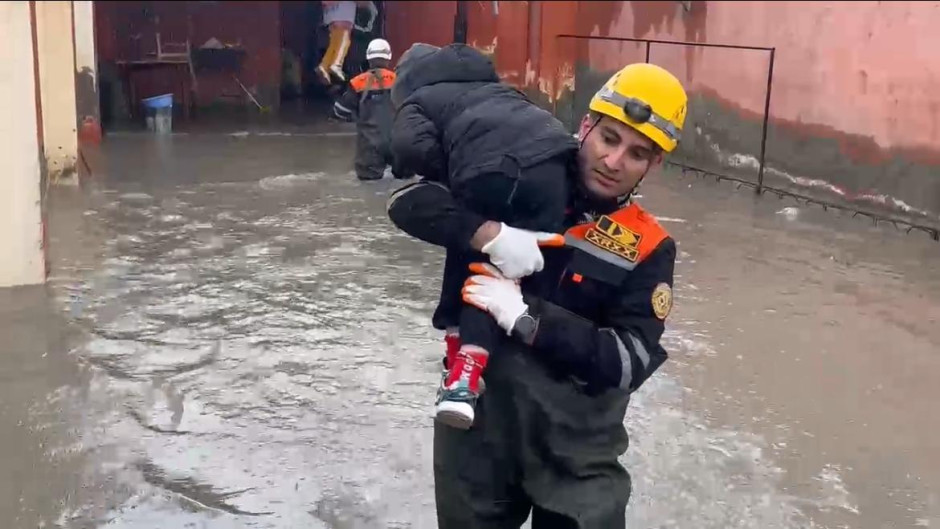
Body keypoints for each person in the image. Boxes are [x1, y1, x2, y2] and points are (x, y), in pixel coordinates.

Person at [387, 62, 687, 528]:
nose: (613, 162)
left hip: (578, 450)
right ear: (586, 125)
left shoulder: (649, 247)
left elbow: (630, 361)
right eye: (609, 139)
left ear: (655, 164)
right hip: (479, 424)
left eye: (636, 154)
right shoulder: (514, 171)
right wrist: (489, 234)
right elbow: (406, 202)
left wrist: (529, 318)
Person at [389, 42, 578, 429]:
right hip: (556, 172)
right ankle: (478, 355)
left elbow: (409, 150)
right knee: (500, 266)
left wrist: (447, 169)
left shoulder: (420, 98)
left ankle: (460, 373)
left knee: (470, 252)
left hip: (488, 171)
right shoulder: (504, 91)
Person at [333, 38, 409, 181]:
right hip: (398, 144)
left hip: (369, 146)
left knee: (368, 183)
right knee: (405, 181)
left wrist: (356, 116)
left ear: (368, 59)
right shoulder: (400, 80)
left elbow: (340, 111)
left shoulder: (357, 82)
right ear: (389, 58)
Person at [318, 0, 378, 84]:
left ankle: (325, 65)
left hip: (335, 13)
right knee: (344, 37)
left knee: (337, 39)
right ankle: (335, 64)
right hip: (342, 13)